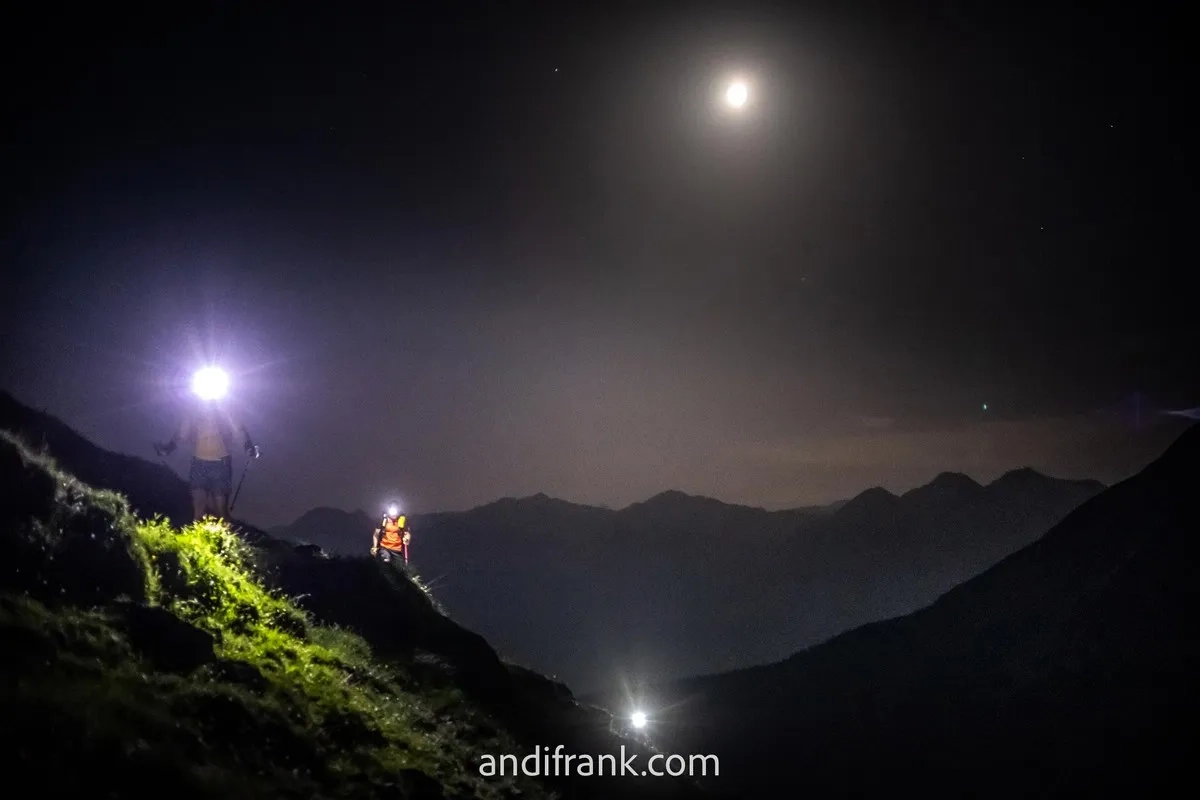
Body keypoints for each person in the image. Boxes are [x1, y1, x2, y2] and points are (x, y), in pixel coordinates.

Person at [156, 400, 259, 521]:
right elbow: (181, 433)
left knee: (221, 510)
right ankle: (198, 532)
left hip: (221, 464)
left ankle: (224, 531)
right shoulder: (193, 412)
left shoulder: (224, 410)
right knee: (198, 509)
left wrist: (248, 447)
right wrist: (168, 448)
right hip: (199, 463)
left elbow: (238, 429)